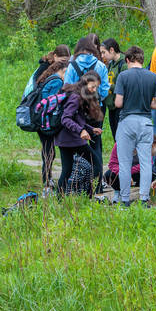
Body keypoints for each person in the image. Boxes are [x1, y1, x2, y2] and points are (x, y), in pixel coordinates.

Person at [113, 45, 156, 207]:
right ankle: (143, 199)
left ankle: (125, 200)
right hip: (146, 122)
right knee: (145, 162)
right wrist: (144, 103)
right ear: (141, 59)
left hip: (127, 121)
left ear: (127, 60)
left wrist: (129, 101)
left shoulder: (123, 76)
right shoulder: (153, 77)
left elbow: (118, 103)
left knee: (125, 162)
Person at [23, 45, 70, 190]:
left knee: (47, 149)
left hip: (39, 116)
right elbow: (51, 101)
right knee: (49, 150)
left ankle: (47, 178)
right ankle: (47, 180)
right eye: (63, 62)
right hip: (45, 119)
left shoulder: (46, 72)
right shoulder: (54, 78)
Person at [63, 34, 109, 172]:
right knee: (96, 145)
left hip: (77, 110)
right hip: (95, 109)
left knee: (77, 143)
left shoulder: (72, 66)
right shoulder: (100, 65)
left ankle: (78, 178)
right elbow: (105, 90)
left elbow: (66, 87)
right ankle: (98, 181)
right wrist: (95, 97)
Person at [55, 71, 103, 197]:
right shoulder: (76, 97)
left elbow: (77, 119)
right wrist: (81, 131)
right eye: (92, 87)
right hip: (72, 139)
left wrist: (91, 129)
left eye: (96, 88)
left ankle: (59, 199)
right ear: (86, 83)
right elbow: (65, 119)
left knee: (67, 170)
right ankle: (87, 195)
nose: (94, 90)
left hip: (64, 139)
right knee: (96, 164)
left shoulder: (79, 95)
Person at [100, 38, 126, 140]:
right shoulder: (110, 64)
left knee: (121, 138)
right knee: (115, 137)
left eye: (103, 52)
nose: (102, 56)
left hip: (120, 107)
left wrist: (109, 85)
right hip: (111, 106)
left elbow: (126, 88)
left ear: (111, 50)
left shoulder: (123, 64)